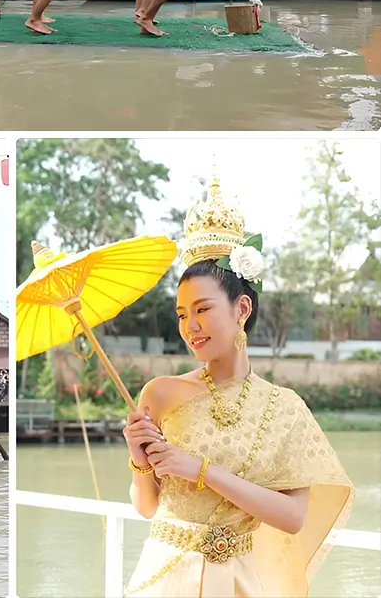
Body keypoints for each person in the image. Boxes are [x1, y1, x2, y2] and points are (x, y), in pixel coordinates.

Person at [123, 175, 353, 598]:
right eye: (180, 314)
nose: (190, 327)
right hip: (164, 575)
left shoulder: (285, 408)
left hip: (238, 582)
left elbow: (291, 516)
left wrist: (203, 471)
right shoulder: (159, 393)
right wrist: (139, 464)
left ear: (241, 308)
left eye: (203, 309)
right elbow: (149, 507)